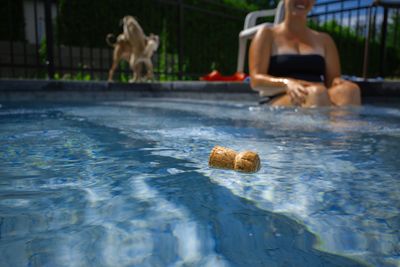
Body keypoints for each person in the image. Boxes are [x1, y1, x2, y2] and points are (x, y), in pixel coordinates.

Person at [249, 0, 361, 107]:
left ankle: (342, 126)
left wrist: (338, 82)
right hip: (278, 99)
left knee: (350, 90)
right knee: (316, 93)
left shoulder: (325, 40)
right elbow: (255, 80)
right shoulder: (267, 34)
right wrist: (287, 84)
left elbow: (332, 81)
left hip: (319, 97)